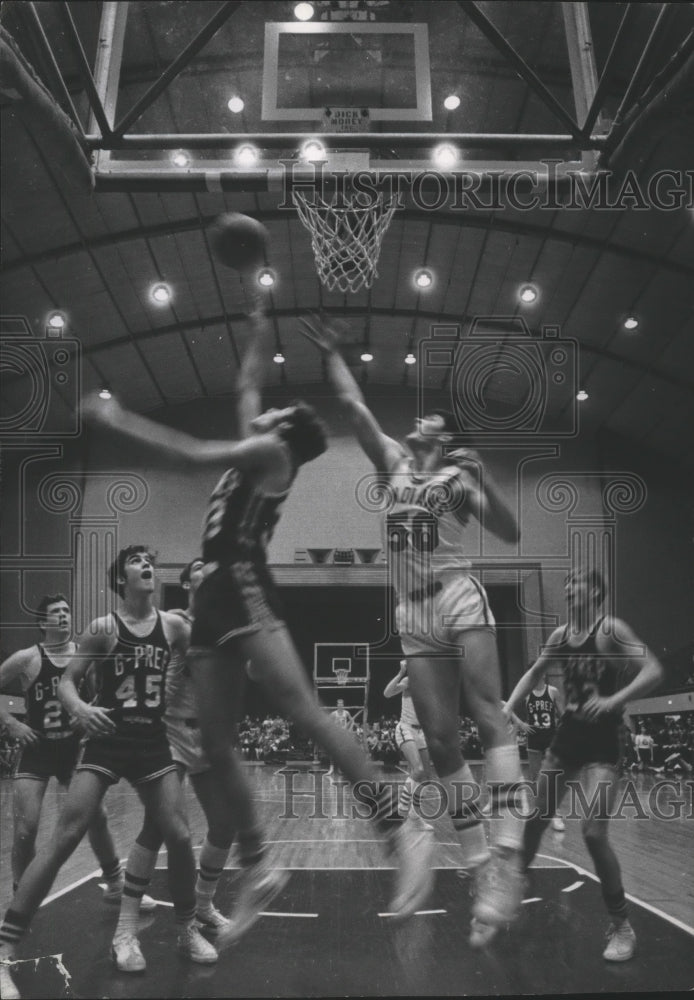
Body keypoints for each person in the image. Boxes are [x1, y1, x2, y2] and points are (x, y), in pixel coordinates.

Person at [77, 299, 435, 935]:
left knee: (305, 710)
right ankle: (260, 863)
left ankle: (397, 828)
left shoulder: (272, 455)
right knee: (217, 742)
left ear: (284, 432)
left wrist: (117, 418)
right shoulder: (260, 442)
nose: (262, 407)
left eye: (273, 413)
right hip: (209, 594)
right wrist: (254, 308)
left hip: (242, 583)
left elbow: (188, 455)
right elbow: (247, 383)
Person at [300, 315, 527, 945]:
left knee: (488, 715)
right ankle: (479, 863)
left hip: (456, 594)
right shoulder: (395, 465)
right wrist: (332, 356)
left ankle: (508, 853)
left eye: (431, 417)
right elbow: (353, 407)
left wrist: (483, 478)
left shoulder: (457, 480)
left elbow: (508, 533)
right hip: (413, 611)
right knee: (442, 742)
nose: (418, 418)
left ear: (445, 434)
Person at [0, 547, 218, 996]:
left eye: (151, 561)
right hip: (108, 738)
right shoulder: (103, 628)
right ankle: (4, 950)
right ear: (120, 578)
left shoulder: (173, 626)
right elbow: (66, 681)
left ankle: (185, 928)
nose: (147, 565)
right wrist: (79, 708)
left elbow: (209, 651)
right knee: (66, 835)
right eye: (137, 561)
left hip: (153, 742)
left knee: (178, 835)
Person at [503, 567, 665, 962]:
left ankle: (622, 926)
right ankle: (510, 889)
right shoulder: (560, 637)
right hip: (568, 736)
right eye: (567, 583)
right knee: (537, 818)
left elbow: (654, 670)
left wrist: (614, 700)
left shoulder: (611, 630)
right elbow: (534, 672)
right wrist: (508, 707)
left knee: (593, 833)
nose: (570, 588)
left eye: (578, 583)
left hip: (605, 739)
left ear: (595, 592)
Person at [111, 556, 242, 954]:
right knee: (160, 826)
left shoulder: (222, 627)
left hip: (207, 734)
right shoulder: (171, 624)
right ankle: (125, 928)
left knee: (224, 824)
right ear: (188, 583)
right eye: (200, 572)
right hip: (168, 730)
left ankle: (203, 906)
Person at [0, 595, 141, 902]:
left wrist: (87, 709)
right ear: (42, 623)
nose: (64, 616)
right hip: (37, 747)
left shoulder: (82, 654)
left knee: (97, 816)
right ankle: (21, 896)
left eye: (67, 611)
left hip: (74, 748)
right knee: (27, 828)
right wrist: (12, 724)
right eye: (56, 612)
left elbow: (104, 692)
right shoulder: (27, 658)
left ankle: (115, 883)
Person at [384, 660, 433, 827]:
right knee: (417, 770)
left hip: (421, 732)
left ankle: (414, 812)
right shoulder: (408, 681)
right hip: (406, 728)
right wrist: (400, 673)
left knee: (426, 779)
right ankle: (401, 810)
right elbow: (387, 693)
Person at [524, 675, 566, 831]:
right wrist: (521, 724)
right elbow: (511, 707)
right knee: (535, 778)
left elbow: (563, 715)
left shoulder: (552, 691)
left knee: (552, 775)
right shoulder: (527, 692)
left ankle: (556, 813)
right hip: (533, 739)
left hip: (550, 738)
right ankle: (538, 809)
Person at [326, 699, 356, 777]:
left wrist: (350, 729)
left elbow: (352, 721)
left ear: (343, 705)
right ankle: (331, 768)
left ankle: (339, 768)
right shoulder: (333, 714)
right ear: (337, 705)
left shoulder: (346, 713)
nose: (340, 705)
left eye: (341, 704)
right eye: (339, 704)